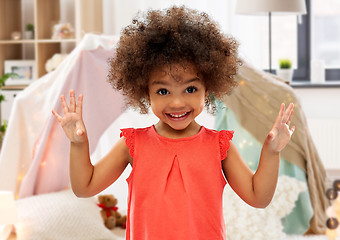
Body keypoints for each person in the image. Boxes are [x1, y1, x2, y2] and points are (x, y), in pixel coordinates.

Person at [52, 5, 295, 240]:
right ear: (145, 92)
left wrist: (271, 151)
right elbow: (85, 187)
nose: (177, 103)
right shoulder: (132, 144)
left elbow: (258, 197)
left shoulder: (219, 146)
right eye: (163, 92)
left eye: (190, 88)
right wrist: (78, 143)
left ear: (207, 88)